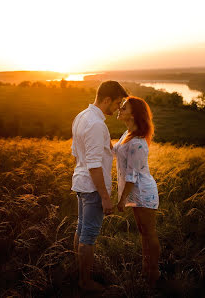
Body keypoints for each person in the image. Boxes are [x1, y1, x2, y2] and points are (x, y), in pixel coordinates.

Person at [71, 81, 128, 291]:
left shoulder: (82, 116)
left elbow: (77, 153)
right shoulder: (96, 124)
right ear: (106, 100)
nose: (117, 108)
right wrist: (105, 196)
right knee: (89, 235)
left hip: (81, 182)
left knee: (81, 228)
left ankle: (78, 272)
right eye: (117, 103)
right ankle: (85, 282)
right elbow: (94, 165)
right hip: (93, 188)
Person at [113, 96, 161, 287]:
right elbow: (114, 149)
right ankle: (146, 268)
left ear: (134, 114)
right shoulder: (127, 134)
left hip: (143, 192)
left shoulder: (137, 143)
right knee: (143, 231)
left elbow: (132, 176)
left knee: (149, 232)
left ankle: (154, 271)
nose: (120, 109)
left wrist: (122, 200)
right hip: (135, 191)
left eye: (124, 108)